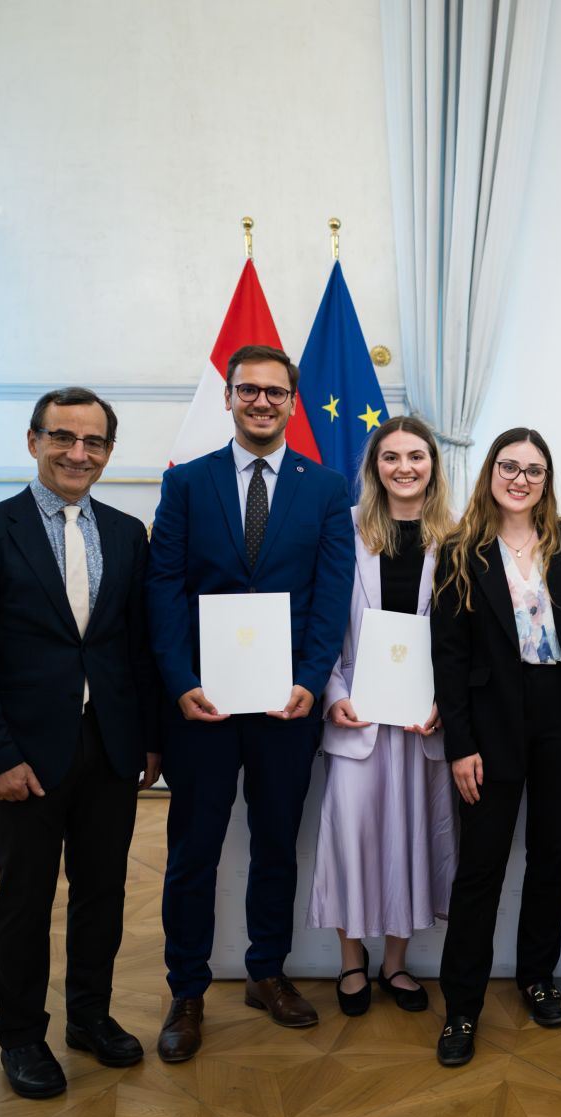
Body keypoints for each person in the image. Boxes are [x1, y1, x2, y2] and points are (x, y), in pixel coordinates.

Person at [0, 387, 161, 1099]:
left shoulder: (128, 533)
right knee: (26, 900)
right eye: (63, 437)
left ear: (108, 452)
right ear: (32, 440)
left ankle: (88, 1016)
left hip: (110, 748)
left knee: (103, 892)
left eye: (93, 442)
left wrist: (150, 739)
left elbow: (137, 646)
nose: (78, 452)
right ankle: (22, 1035)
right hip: (24, 758)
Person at [146, 344, 353, 1061]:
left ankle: (267, 971)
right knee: (192, 850)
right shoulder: (187, 484)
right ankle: (187, 988)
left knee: (275, 844)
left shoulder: (327, 490)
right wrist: (179, 681)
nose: (261, 402)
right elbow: (163, 590)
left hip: (285, 706)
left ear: (293, 402)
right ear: (229, 397)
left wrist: (310, 677)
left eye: (274, 392)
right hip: (201, 707)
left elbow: (329, 598)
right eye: (248, 390)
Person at [430, 428, 561, 1067]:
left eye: (534, 470)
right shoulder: (460, 549)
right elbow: (447, 655)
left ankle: (537, 976)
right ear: (491, 473)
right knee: (480, 870)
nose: (521, 479)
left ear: (546, 479)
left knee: (551, 858)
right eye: (510, 467)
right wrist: (461, 743)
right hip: (491, 722)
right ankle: (462, 1010)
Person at [310, 417, 457, 1016]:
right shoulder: (343, 531)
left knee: (412, 839)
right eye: (391, 457)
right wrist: (329, 692)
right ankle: (352, 961)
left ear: (433, 465)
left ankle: (396, 965)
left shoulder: (453, 537)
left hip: (422, 719)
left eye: (416, 456)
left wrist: (445, 701)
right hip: (355, 714)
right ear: (374, 467)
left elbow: (462, 637)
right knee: (353, 838)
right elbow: (319, 622)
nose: (404, 467)